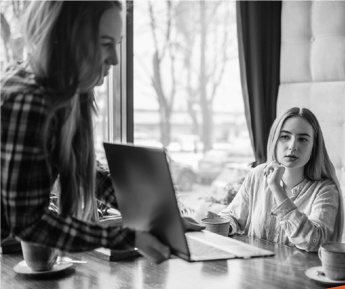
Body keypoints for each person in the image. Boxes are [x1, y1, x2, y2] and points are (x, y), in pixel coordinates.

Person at [0, 0, 198, 263]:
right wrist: (130, 237)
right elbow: (28, 223)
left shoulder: (60, 91)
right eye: (105, 44)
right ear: (68, 40)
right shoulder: (30, 101)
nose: (115, 60)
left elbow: (83, 168)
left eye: (116, 44)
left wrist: (159, 218)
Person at [217, 107, 343, 252]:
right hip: (253, 270)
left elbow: (313, 241)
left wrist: (276, 188)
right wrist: (207, 225)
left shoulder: (325, 189)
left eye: (302, 139)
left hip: (297, 274)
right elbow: (233, 217)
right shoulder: (257, 175)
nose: (293, 146)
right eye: (285, 137)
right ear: (274, 141)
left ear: (314, 147)